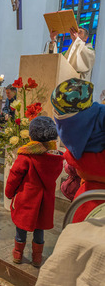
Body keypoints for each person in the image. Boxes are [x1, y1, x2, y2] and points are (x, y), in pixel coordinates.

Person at [5, 116, 64, 267]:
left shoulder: (27, 156)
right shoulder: (55, 157)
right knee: (39, 230)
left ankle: (18, 254)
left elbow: (14, 176)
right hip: (45, 201)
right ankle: (37, 258)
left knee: (21, 228)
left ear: (32, 135)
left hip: (27, 199)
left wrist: (9, 193)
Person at [51, 78, 105, 222]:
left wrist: (73, 159)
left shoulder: (95, 118)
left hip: (94, 201)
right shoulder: (92, 117)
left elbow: (85, 166)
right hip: (90, 193)